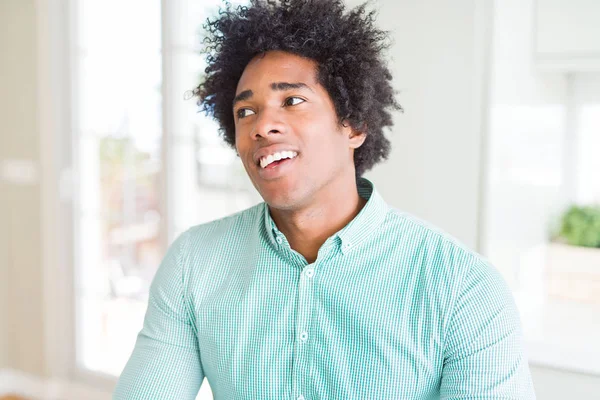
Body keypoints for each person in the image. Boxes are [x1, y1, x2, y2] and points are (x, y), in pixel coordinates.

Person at [113, 0, 536, 399]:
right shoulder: (195, 262)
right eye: (246, 112)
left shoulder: (464, 289)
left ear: (353, 125)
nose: (263, 126)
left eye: (292, 100)